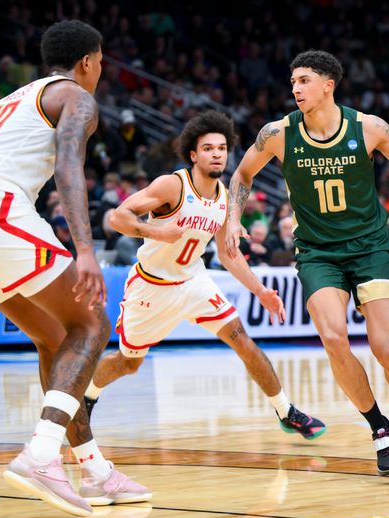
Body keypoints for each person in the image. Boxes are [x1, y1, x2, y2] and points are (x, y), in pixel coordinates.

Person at [0, 21, 141, 518]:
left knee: (56, 338)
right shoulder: (77, 98)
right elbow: (69, 166)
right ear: (89, 61)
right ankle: (42, 454)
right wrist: (85, 250)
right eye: (101, 62)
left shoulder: (10, 100)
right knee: (92, 323)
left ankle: (92, 467)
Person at [225, 50, 389, 477]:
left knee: (385, 348)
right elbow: (242, 175)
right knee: (335, 339)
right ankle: (378, 427)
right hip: (318, 252)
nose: (295, 88)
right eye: (293, 81)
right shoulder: (278, 134)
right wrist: (232, 219)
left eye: (303, 80)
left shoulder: (368, 127)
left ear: (327, 85)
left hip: (370, 247)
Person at [85, 110, 326, 446]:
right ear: (194, 155)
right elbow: (117, 217)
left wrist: (260, 291)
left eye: (222, 148)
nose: (217, 154)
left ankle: (286, 411)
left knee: (241, 337)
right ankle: (87, 397)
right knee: (128, 364)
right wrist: (157, 231)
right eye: (209, 148)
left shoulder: (225, 196)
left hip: (193, 282)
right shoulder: (172, 185)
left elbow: (228, 254)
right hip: (151, 286)